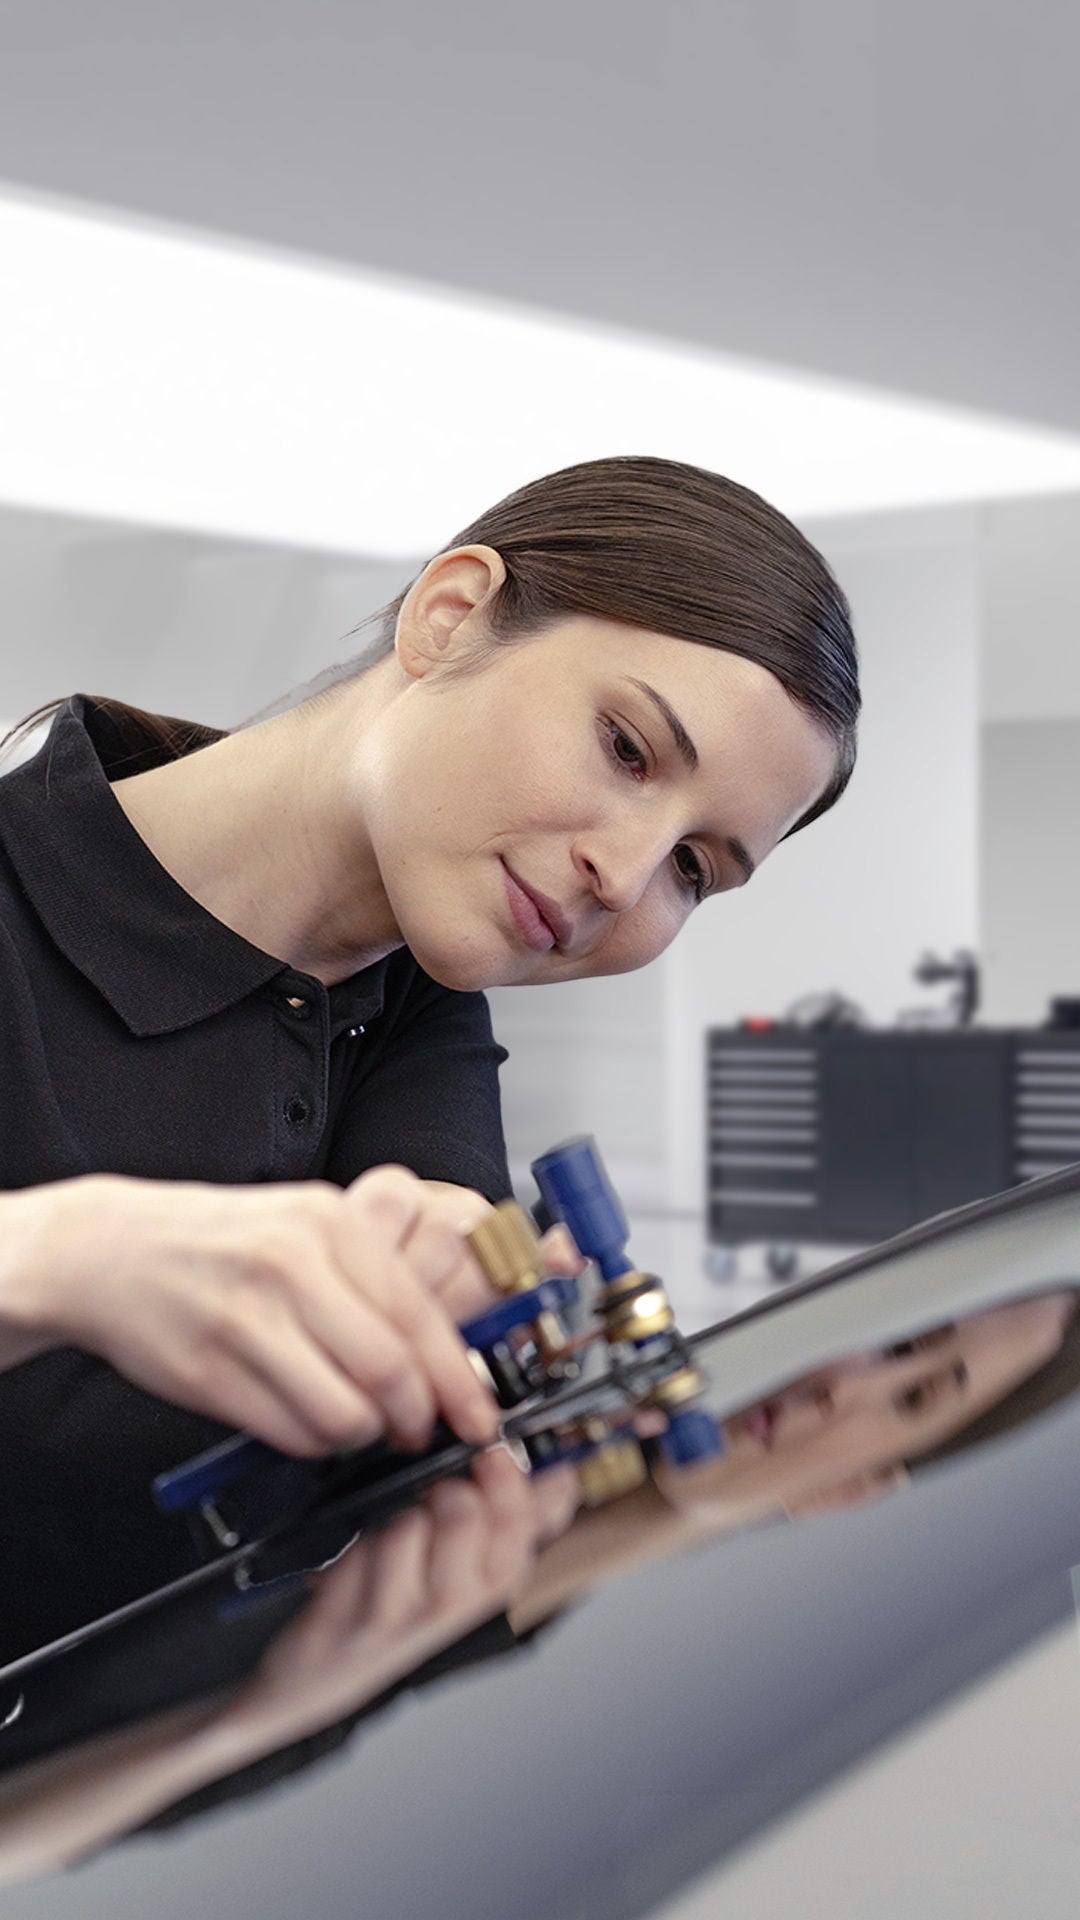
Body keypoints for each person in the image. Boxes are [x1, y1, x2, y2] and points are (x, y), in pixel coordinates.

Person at [0, 452, 857, 1651]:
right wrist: (54, 1258)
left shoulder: (422, 1024)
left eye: (695, 869)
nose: (624, 873)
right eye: (625, 748)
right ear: (450, 618)